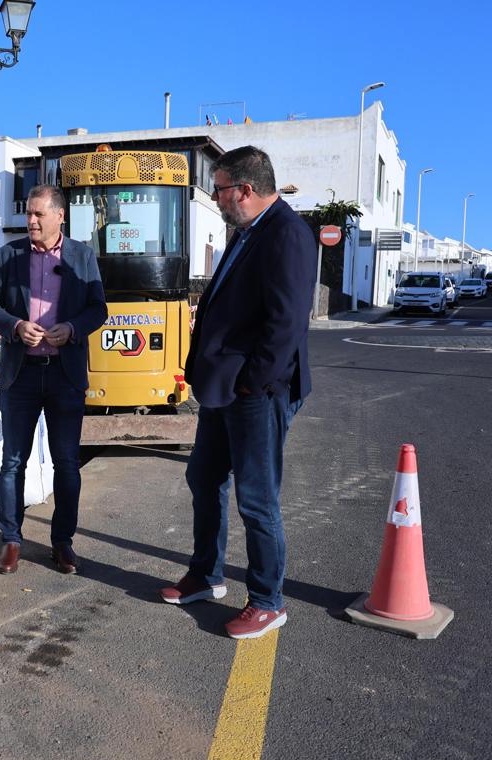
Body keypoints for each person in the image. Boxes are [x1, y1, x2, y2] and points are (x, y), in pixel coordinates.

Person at [158, 146, 316, 640]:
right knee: (203, 479)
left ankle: (268, 600)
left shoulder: (286, 234)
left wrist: (256, 382)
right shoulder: (248, 233)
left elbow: (285, 322)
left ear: (246, 190)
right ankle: (206, 574)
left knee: (256, 498)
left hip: (254, 393)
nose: (217, 197)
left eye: (221, 188)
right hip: (224, 390)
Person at [0, 184, 108, 575]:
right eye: (28, 214)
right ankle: (11, 540)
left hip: (65, 376)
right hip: (20, 376)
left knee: (67, 464)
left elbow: (98, 308)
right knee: (13, 462)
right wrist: (16, 325)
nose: (30, 221)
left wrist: (71, 328)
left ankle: (62, 543)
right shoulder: (8, 255)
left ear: (59, 216)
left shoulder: (83, 257)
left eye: (38, 215)